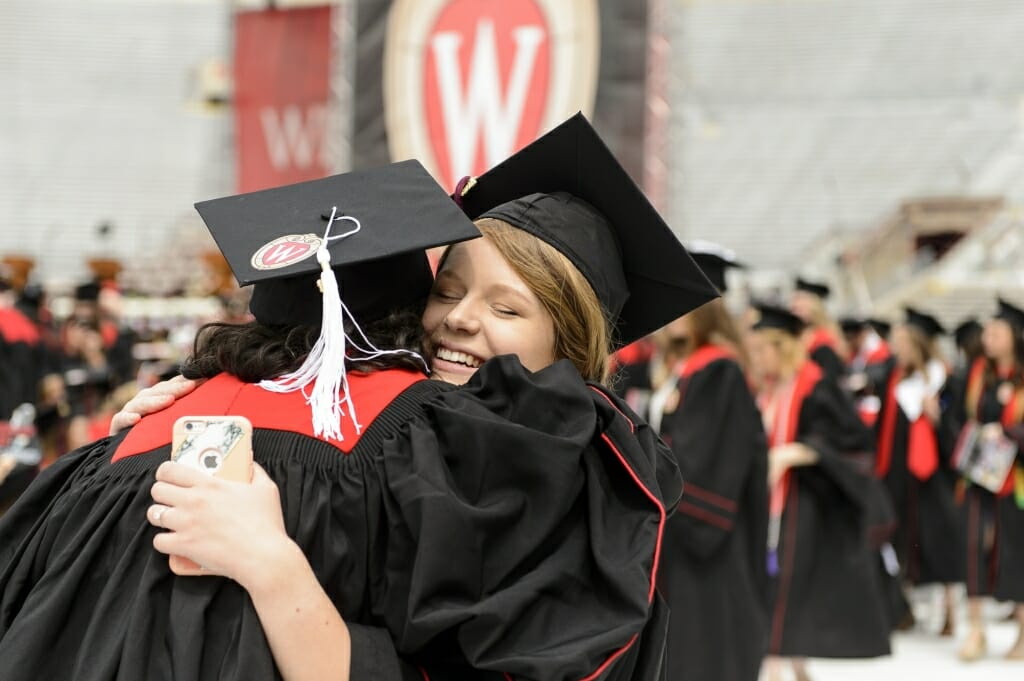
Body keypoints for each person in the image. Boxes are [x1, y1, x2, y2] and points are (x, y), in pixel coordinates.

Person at [1, 116, 718, 681]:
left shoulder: (563, 481)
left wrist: (272, 564)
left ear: (572, 349)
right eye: (448, 290)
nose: (462, 318)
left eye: (508, 309)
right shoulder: (408, 452)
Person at [747, 303, 890, 681]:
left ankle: (780, 666)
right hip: (771, 504)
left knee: (787, 585)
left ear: (782, 347)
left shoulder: (815, 384)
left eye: (763, 349)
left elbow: (853, 441)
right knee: (775, 584)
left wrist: (798, 451)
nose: (757, 357)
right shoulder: (769, 389)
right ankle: (789, 665)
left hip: (806, 503)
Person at [648, 245, 769, 681]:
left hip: (706, 539)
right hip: (679, 534)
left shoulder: (719, 371)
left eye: (689, 299)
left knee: (705, 645)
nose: (676, 310)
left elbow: (708, 462)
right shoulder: (680, 368)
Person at [872, 308, 962, 635]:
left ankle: (950, 613)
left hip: (933, 478)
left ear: (919, 344)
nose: (897, 350)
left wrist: (938, 418)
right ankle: (902, 608)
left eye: (903, 343)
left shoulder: (946, 378)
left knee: (940, 540)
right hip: (897, 475)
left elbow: (958, 430)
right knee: (898, 540)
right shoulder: (892, 378)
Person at [951, 298, 1024, 661]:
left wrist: (1011, 433)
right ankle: (975, 629)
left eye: (997, 332)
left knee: (1018, 550)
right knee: (973, 548)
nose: (988, 338)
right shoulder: (977, 373)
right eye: (987, 332)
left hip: (1018, 481)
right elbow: (959, 415)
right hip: (980, 474)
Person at [789, 277, 846, 381]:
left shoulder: (823, 340)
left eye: (801, 300)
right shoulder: (795, 339)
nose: (794, 305)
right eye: (794, 301)